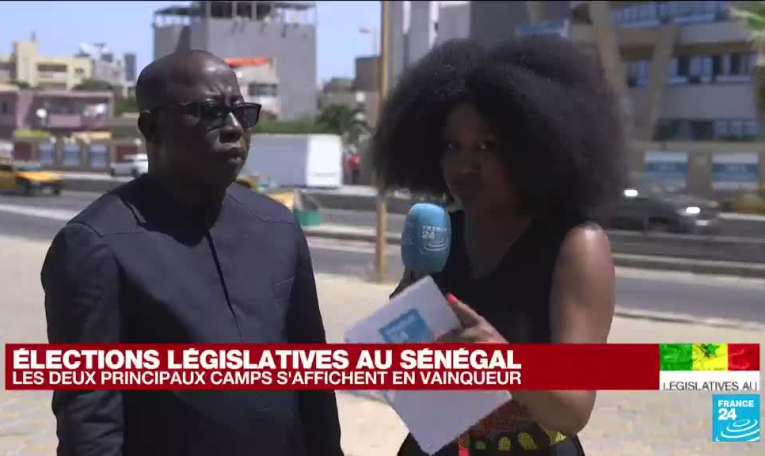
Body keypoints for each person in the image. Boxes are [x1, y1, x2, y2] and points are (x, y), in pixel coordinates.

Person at [41, 50, 343, 456]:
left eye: (241, 112)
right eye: (210, 112)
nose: (233, 128)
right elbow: (90, 420)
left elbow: (313, 381)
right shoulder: (93, 246)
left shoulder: (279, 226)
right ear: (152, 127)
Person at [373, 36, 626, 456]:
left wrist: (503, 360)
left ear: (533, 148)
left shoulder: (575, 245)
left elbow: (573, 410)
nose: (463, 166)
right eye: (451, 146)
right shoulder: (438, 234)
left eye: (486, 147)